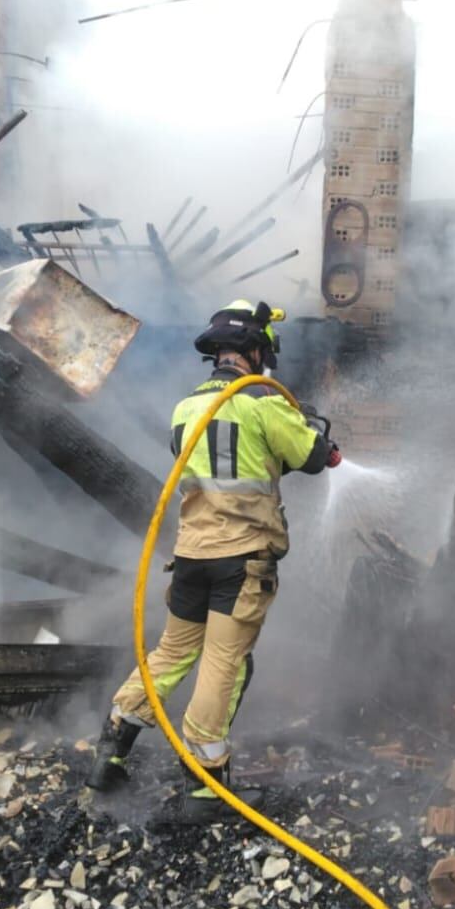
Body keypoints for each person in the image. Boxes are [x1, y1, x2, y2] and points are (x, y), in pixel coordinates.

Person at [85, 299, 339, 813]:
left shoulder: (184, 410)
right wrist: (313, 429)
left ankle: (109, 753)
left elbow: (223, 465)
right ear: (254, 350)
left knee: (170, 655)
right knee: (226, 662)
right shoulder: (264, 404)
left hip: (191, 557)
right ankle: (206, 783)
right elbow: (316, 458)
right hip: (239, 563)